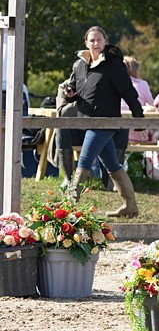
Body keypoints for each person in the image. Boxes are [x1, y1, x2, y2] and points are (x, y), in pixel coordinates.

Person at [62, 26, 145, 216]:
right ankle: (130, 207)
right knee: (112, 164)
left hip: (106, 122)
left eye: (99, 40)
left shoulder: (114, 65)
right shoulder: (80, 65)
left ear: (106, 41)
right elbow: (76, 91)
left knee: (84, 160)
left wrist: (138, 118)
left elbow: (129, 93)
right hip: (86, 121)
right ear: (86, 43)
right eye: (92, 40)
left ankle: (67, 208)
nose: (96, 44)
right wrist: (70, 94)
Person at [122, 56, 155, 144]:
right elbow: (152, 105)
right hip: (138, 133)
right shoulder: (142, 84)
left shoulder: (114, 85)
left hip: (117, 133)